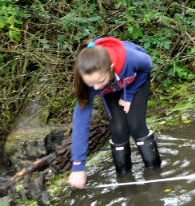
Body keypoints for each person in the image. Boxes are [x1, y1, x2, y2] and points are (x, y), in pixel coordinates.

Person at [68, 37, 161, 188]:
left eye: (99, 81)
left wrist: (128, 95)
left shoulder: (132, 58)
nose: (96, 88)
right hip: (111, 88)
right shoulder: (90, 83)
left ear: (111, 67)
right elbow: (81, 122)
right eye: (91, 84)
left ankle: (155, 173)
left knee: (136, 126)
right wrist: (78, 165)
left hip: (135, 82)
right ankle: (125, 181)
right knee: (118, 130)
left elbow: (147, 65)